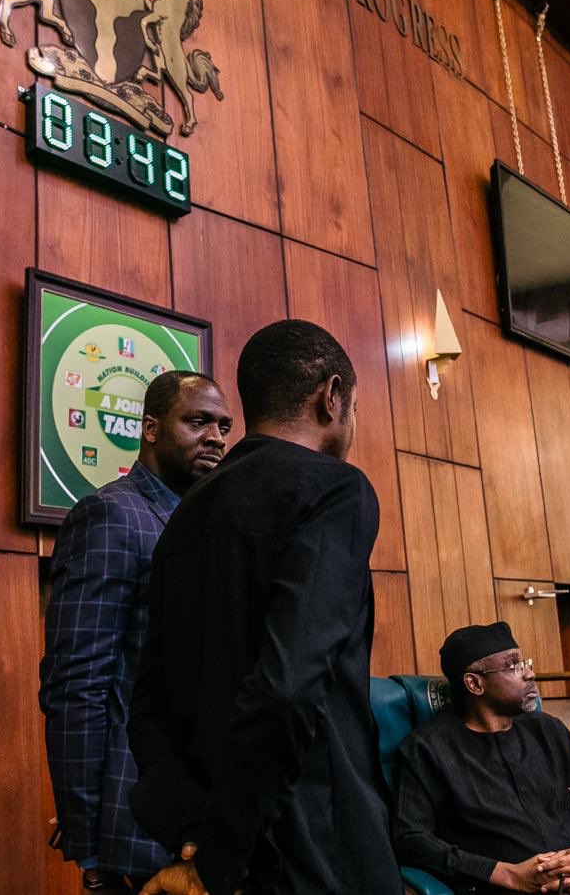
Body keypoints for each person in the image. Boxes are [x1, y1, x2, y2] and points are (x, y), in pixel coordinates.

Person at [127, 319, 400, 895]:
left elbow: (149, 697)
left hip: (211, 838)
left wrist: (195, 837)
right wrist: (218, 863)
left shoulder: (187, 509)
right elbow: (288, 687)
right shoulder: (335, 489)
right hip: (315, 848)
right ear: (332, 397)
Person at [40, 371, 233, 893]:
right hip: (134, 818)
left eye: (224, 426)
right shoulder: (112, 514)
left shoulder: (202, 523)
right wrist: (85, 837)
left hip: (198, 809)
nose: (216, 437)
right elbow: (76, 684)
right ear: (150, 428)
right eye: (198, 422)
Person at [394, 621, 570, 895]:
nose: (530, 674)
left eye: (525, 663)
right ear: (475, 683)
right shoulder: (428, 749)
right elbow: (411, 840)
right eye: (513, 666)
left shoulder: (550, 731)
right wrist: (507, 875)